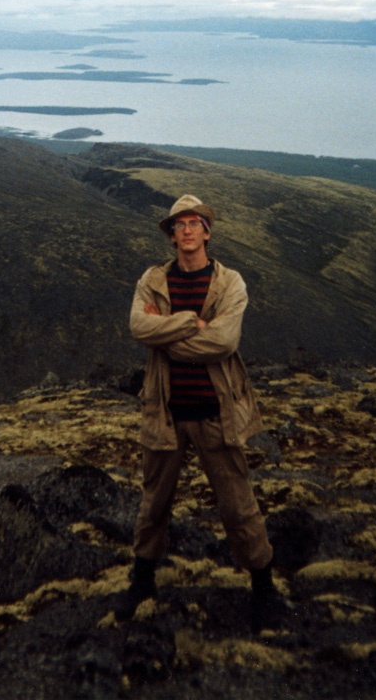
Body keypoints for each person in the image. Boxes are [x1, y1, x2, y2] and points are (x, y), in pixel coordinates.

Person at [114, 194, 282, 630]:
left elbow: (224, 343)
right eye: (178, 225)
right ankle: (142, 581)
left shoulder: (231, 283)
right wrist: (193, 322)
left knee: (238, 504)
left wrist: (165, 331)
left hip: (214, 411)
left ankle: (264, 588)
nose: (186, 231)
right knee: (153, 503)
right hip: (165, 411)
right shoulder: (152, 280)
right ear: (171, 235)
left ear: (207, 231)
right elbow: (137, 326)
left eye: (194, 223)